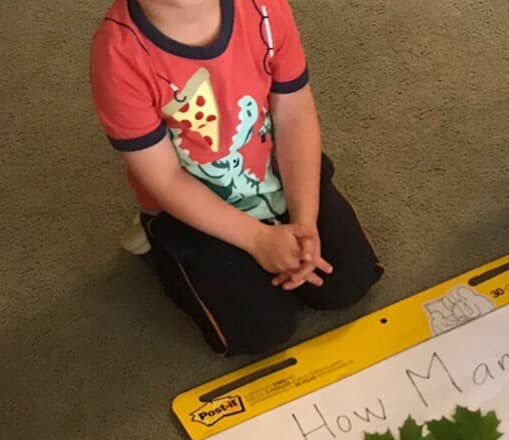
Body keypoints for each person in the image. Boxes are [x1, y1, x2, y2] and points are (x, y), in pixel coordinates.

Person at [90, 0, 382, 355]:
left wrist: (305, 219)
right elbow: (164, 179)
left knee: (349, 283)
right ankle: (159, 246)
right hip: (193, 209)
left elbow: (294, 114)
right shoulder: (118, 56)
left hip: (273, 173)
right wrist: (258, 239)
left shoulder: (264, 8)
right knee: (262, 330)